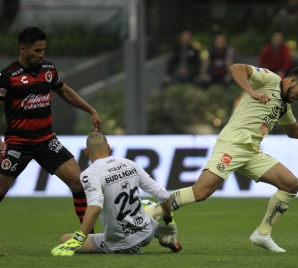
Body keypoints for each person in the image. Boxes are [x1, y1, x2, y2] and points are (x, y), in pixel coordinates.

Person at [146, 63, 298, 252]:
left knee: (291, 184)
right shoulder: (270, 79)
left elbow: (294, 131)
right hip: (232, 144)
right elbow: (236, 68)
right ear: (291, 81)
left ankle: (263, 233)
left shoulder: (284, 106)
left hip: (252, 152)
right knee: (201, 192)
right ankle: (151, 211)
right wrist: (253, 92)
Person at [0, 27, 102, 230]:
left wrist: (91, 110)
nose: (42, 54)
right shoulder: (8, 76)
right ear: (23, 49)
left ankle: (88, 237)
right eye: (37, 51)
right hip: (17, 144)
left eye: (43, 50)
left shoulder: (48, 69)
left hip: (47, 141)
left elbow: (64, 92)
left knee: (78, 182)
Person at [51, 132, 181, 256]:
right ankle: (167, 236)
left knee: (65, 239)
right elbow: (163, 195)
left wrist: (79, 237)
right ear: (108, 147)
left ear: (86, 152)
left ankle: (135, 247)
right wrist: (168, 221)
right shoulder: (130, 164)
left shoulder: (89, 174)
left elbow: (95, 206)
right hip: (146, 233)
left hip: (121, 243)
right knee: (144, 210)